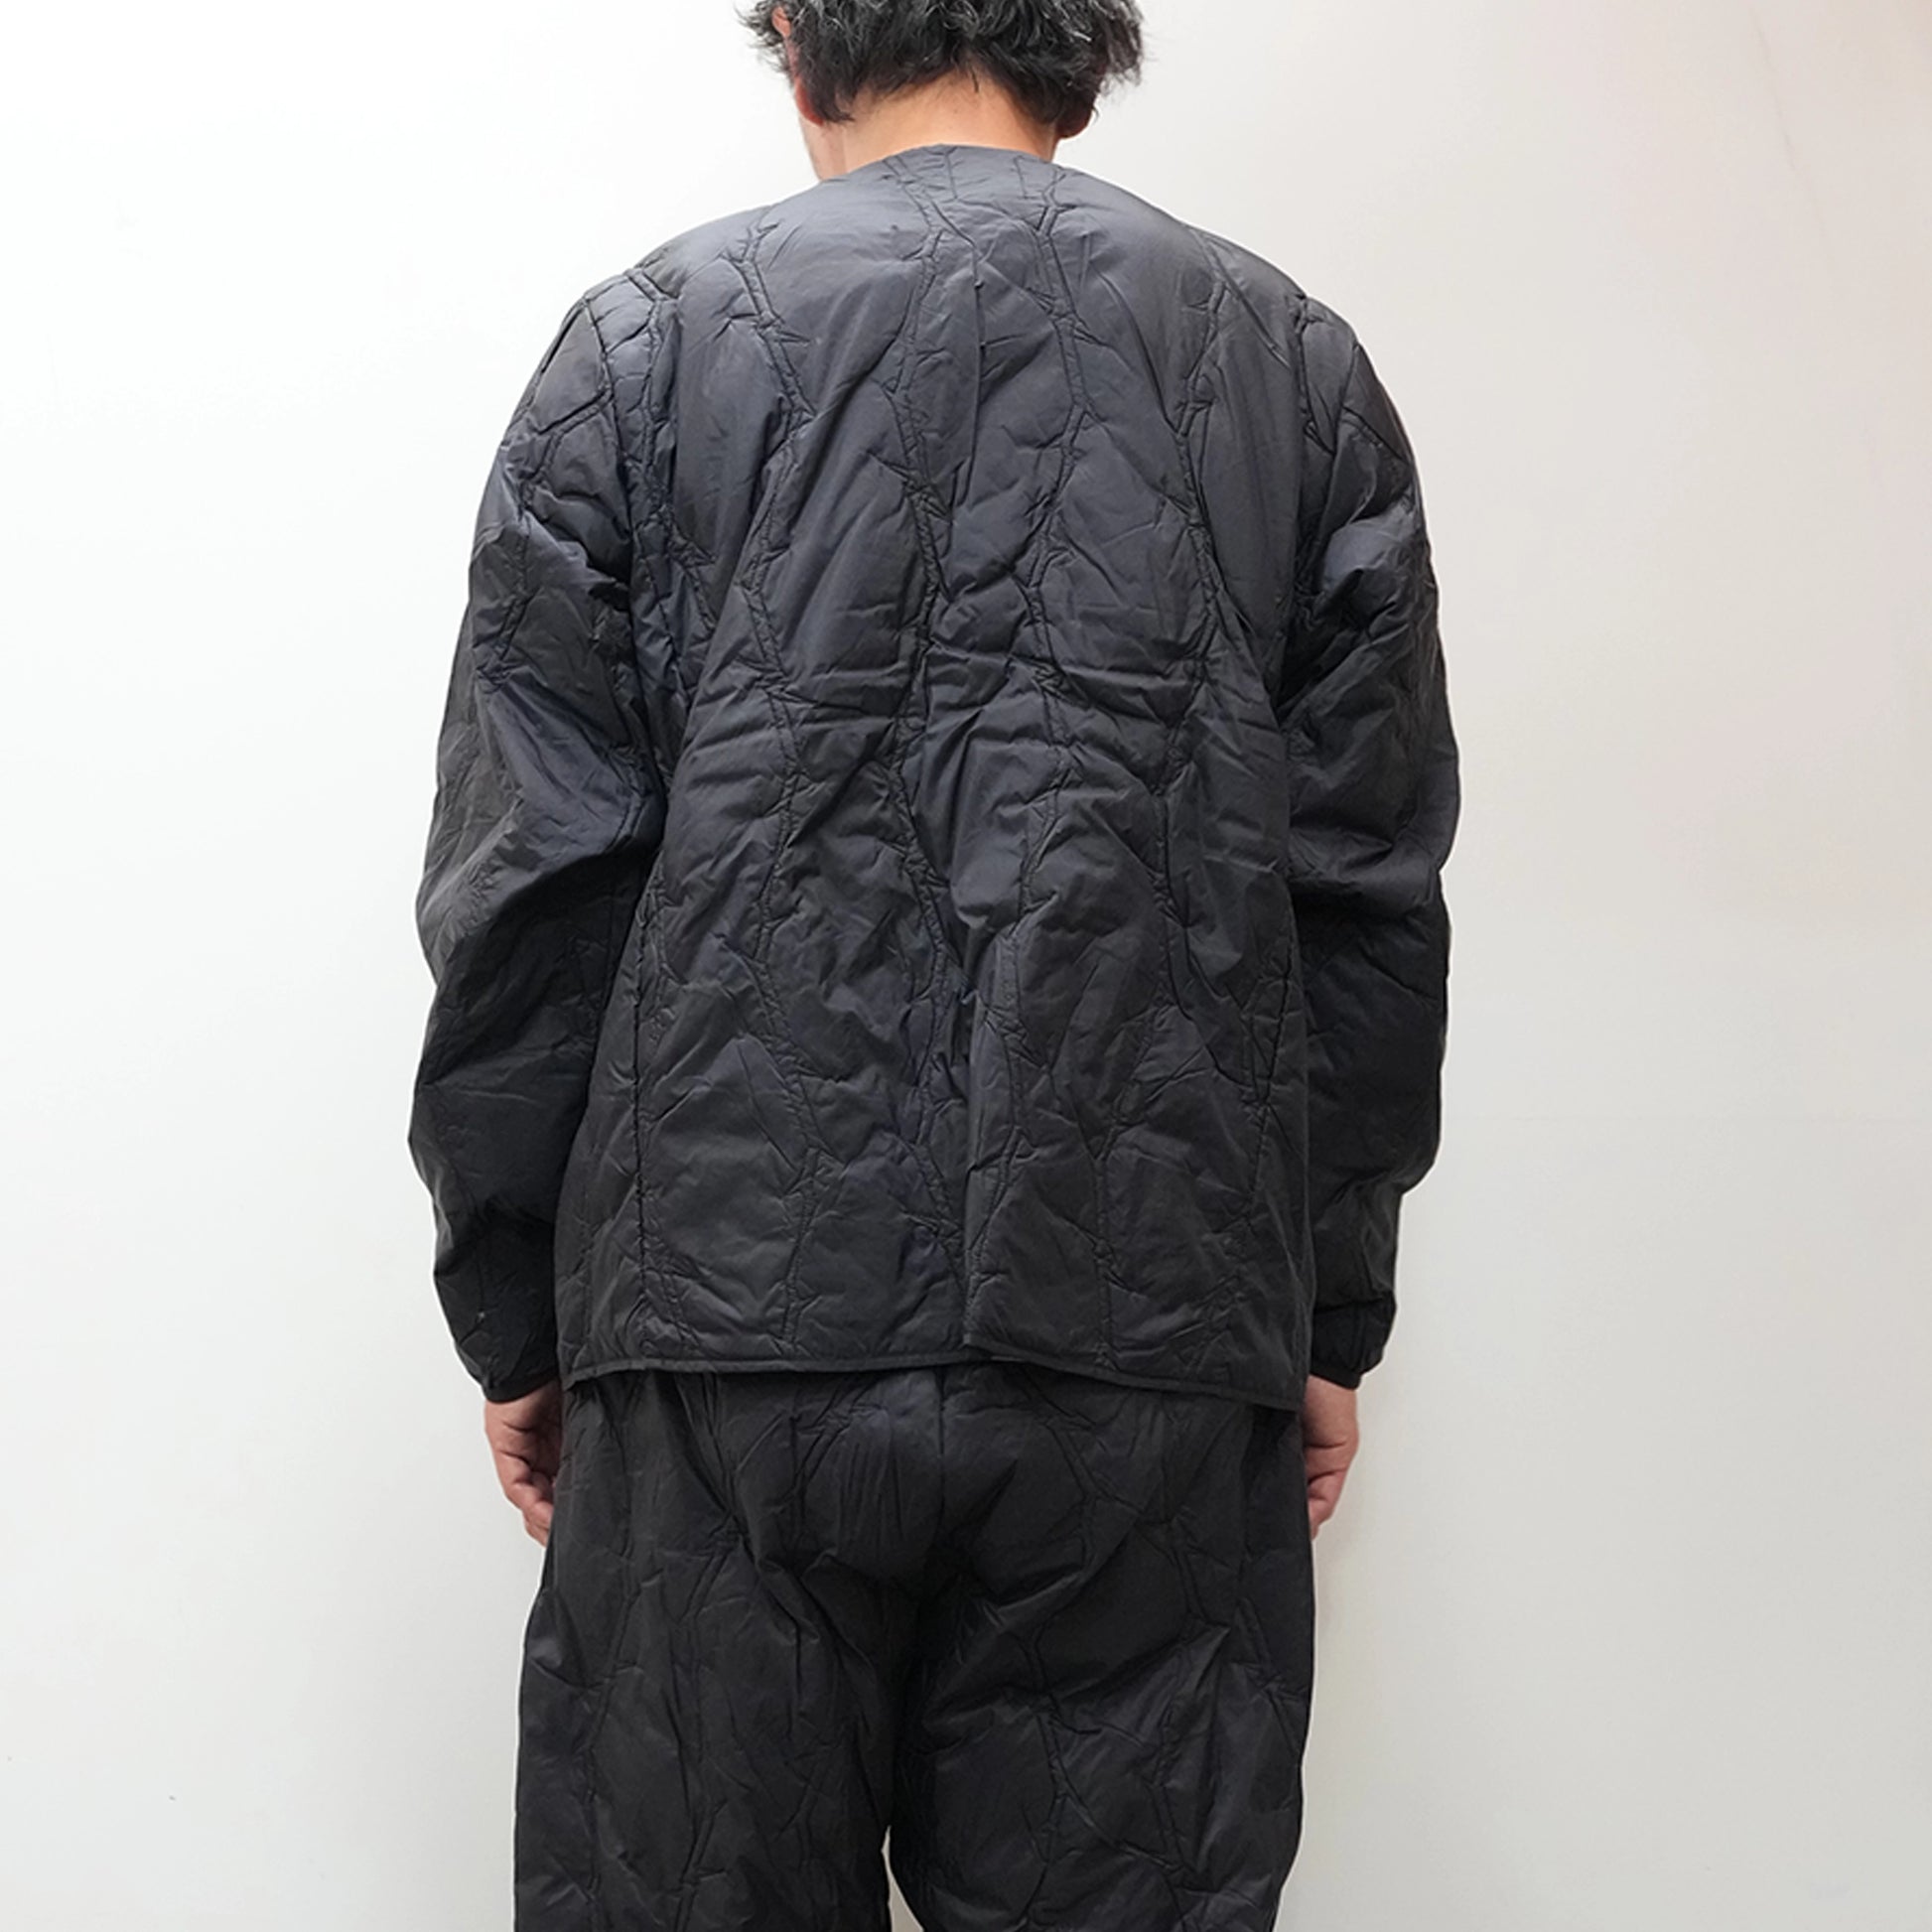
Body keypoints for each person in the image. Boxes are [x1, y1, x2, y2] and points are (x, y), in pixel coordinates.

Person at [406, 3, 1458, 1925]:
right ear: (1080, 55)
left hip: (723, 1336)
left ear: (799, 39)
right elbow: (1363, 893)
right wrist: (1317, 1310)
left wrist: (525, 1304)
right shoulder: (1285, 363)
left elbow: (529, 880)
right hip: (1145, 1332)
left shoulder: (644, 346)